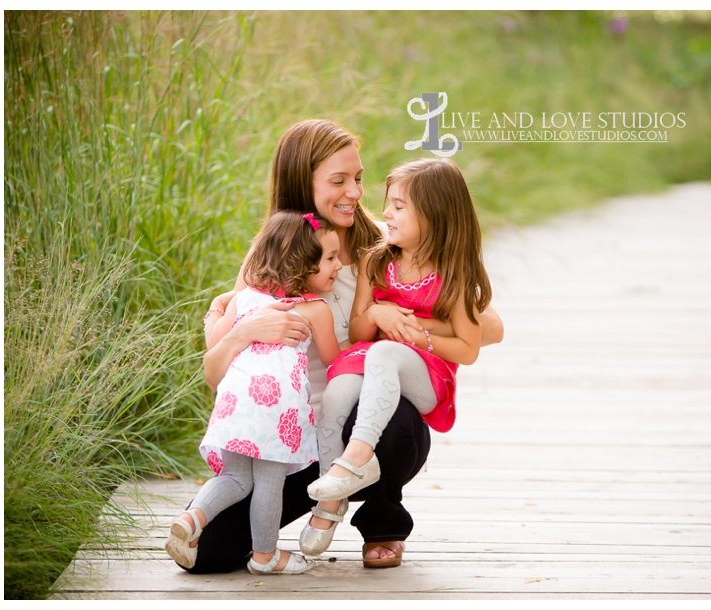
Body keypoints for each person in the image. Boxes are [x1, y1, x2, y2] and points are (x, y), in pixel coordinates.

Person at [186, 119, 503, 573]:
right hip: (288, 439)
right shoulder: (267, 259)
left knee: (393, 406)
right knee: (209, 556)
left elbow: (489, 327)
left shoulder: (383, 240)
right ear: (303, 184)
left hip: (365, 425)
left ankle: (383, 522)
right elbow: (217, 374)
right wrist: (241, 330)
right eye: (338, 181)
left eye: (357, 178)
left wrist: (390, 319)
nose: (355, 193)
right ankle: (278, 509)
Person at [302, 159, 490, 566]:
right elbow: (357, 331)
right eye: (388, 203)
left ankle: (357, 457)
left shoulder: (454, 274)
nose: (385, 213)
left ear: (435, 213)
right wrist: (375, 316)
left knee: (386, 352)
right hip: (374, 359)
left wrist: (418, 338)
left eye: (399, 206)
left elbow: (468, 348)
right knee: (339, 389)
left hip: (428, 374)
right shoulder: (377, 261)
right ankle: (331, 498)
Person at [165, 211, 342, 575]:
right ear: (303, 265)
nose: (337, 265)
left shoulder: (244, 298)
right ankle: (265, 557)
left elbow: (215, 343)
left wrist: (217, 304)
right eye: (330, 258)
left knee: (234, 478)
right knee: (268, 482)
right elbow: (333, 361)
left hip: (235, 402)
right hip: (278, 408)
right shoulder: (315, 309)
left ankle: (193, 517)